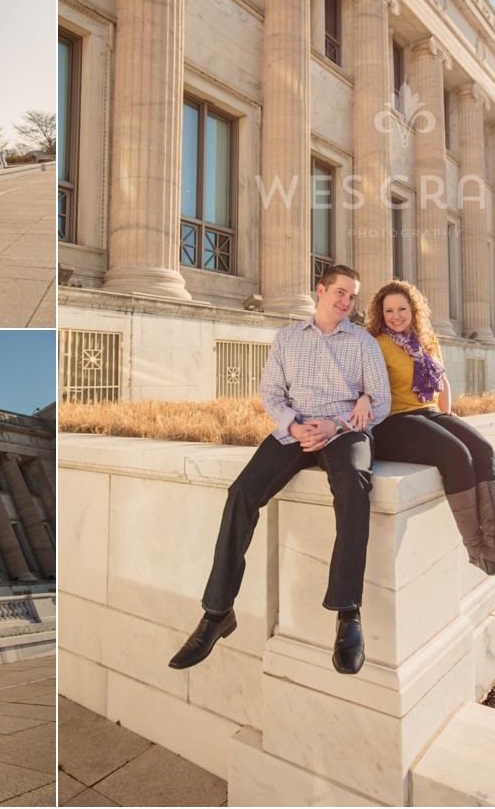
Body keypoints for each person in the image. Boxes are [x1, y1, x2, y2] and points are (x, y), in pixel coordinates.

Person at [168, 265, 391, 675]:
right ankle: (217, 613)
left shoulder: (362, 343)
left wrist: (337, 424)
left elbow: (381, 401)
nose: (346, 302)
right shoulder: (287, 338)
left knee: (355, 487)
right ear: (319, 291)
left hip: (343, 431)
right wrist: (293, 425)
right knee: (241, 494)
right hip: (295, 431)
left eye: (353, 296)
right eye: (340, 293)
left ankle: (348, 614)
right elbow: (270, 392)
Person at [361, 279, 495, 576]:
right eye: (388, 310)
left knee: (482, 450)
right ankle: (476, 547)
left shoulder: (426, 342)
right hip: (393, 422)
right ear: (381, 312)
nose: (396, 315)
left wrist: (447, 412)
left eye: (402, 308)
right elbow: (364, 383)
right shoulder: (376, 344)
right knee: (455, 455)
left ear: (414, 310)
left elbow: (441, 381)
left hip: (428, 413)